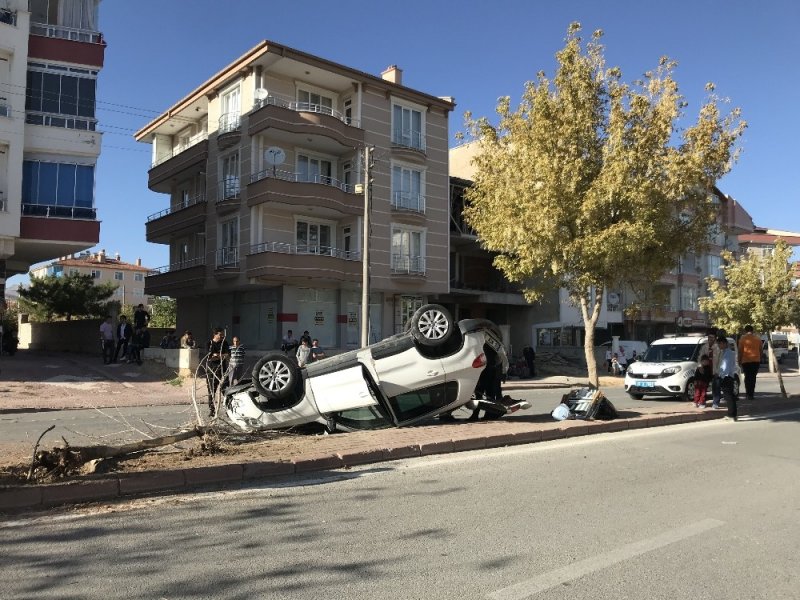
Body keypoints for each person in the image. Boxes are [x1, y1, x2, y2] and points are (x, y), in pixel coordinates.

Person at [205, 328, 230, 416]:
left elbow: (227, 355)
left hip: (222, 369)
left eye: (223, 334)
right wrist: (218, 356)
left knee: (226, 390)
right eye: (220, 334)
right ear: (215, 334)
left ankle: (229, 410)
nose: (222, 336)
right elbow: (209, 357)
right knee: (212, 391)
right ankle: (212, 410)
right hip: (211, 370)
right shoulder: (210, 343)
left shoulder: (225, 343)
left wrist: (218, 355)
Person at [738, 325, 761, 401]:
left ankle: (748, 394)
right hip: (756, 361)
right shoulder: (758, 339)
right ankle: (751, 394)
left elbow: (740, 351)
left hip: (746, 361)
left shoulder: (742, 339)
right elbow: (760, 350)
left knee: (747, 377)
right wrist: (759, 358)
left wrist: (739, 361)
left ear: (745, 331)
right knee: (753, 377)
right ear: (752, 330)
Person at [718, 337, 738, 420]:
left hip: (726, 376)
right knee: (730, 396)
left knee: (728, 396)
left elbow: (726, 366)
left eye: (720, 343)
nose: (719, 345)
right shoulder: (725, 352)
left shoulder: (728, 353)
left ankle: (731, 415)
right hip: (728, 376)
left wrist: (721, 376)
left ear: (725, 343)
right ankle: (733, 414)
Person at [707, 328, 722, 408]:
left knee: (716, 386)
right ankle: (701, 401)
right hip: (707, 369)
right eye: (709, 337)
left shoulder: (718, 347)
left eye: (712, 337)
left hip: (716, 370)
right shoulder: (706, 346)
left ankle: (716, 402)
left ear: (715, 338)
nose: (710, 339)